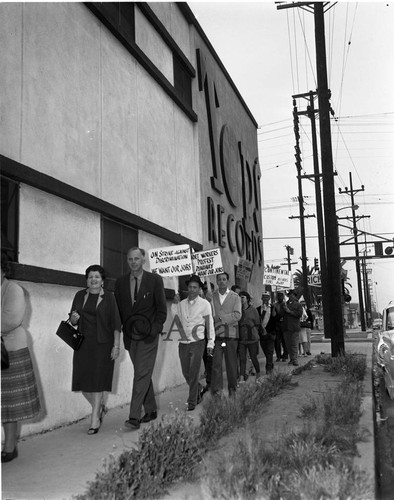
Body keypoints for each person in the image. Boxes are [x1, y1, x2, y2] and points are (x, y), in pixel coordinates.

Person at [114, 247, 167, 431]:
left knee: (141, 374)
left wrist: (155, 329)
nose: (133, 262)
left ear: (143, 260)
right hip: (130, 337)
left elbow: (161, 310)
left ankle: (134, 417)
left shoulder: (154, 280)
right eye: (130, 259)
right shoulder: (120, 282)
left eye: (137, 258)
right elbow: (119, 311)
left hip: (148, 337)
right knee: (142, 373)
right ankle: (151, 409)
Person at [69, 264, 121, 435]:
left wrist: (116, 345)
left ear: (102, 281)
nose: (93, 280)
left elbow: (116, 323)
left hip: (103, 344)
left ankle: (94, 419)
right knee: (82, 380)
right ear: (87, 279)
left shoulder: (109, 298)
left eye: (97, 277)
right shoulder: (79, 295)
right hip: (83, 343)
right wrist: (74, 319)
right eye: (90, 277)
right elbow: (73, 320)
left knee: (98, 381)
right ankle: (98, 408)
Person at [1, 253, 41, 462]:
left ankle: (10, 446)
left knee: (9, 403)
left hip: (9, 352)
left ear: (3, 269)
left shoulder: (14, 290)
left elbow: (9, 320)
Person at [171, 275, 215, 411]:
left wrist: (210, 343)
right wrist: (174, 304)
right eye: (190, 287)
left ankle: (192, 401)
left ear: (199, 289)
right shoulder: (181, 303)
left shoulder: (205, 304)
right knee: (186, 372)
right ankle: (198, 388)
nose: (192, 290)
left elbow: (210, 324)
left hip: (198, 341)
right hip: (184, 342)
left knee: (194, 370)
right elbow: (176, 319)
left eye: (195, 287)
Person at [210, 272, 242, 396]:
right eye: (219, 279)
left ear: (227, 281)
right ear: (217, 281)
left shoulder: (235, 297)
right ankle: (217, 391)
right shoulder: (212, 297)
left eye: (224, 279)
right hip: (217, 336)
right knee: (216, 364)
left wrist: (222, 318)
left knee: (231, 365)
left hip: (231, 336)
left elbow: (237, 315)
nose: (222, 281)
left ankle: (232, 390)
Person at [238, 291, 261, 381]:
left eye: (243, 297)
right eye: (239, 297)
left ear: (247, 299)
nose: (241, 299)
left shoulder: (253, 310)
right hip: (241, 339)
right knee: (242, 359)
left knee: (253, 357)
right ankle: (241, 378)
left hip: (252, 338)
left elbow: (257, 323)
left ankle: (258, 375)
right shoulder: (238, 310)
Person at [282, 289, 303, 366]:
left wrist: (289, 311)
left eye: (292, 295)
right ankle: (291, 358)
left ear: (294, 296)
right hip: (286, 327)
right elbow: (281, 314)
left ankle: (295, 359)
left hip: (294, 327)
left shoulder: (298, 305)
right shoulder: (285, 304)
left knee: (294, 344)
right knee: (288, 344)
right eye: (289, 295)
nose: (290, 296)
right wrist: (283, 308)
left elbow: (299, 314)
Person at [257, 292, 276, 374]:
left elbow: (277, 319)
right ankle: (270, 363)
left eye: (267, 297)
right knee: (265, 351)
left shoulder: (273, 308)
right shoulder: (258, 309)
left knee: (270, 351)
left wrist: (275, 315)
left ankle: (268, 368)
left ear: (269, 298)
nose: (265, 298)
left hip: (271, 333)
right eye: (263, 297)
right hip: (262, 334)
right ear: (261, 298)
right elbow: (257, 321)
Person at [273, 291, 287, 361]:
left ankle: (285, 356)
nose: (280, 297)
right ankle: (278, 356)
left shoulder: (285, 304)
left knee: (285, 341)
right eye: (278, 296)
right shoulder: (275, 305)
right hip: (277, 325)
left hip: (284, 325)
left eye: (281, 296)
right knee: (277, 342)